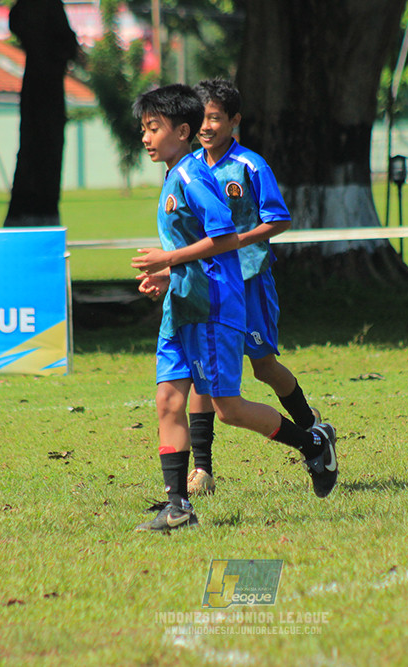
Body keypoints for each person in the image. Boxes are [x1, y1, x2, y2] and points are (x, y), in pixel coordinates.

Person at [130, 84, 338, 533]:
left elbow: (224, 237)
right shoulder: (174, 174)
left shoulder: (192, 176)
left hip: (212, 305)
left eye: (153, 128)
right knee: (168, 399)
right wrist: (167, 275)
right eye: (143, 128)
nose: (145, 137)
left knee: (228, 408)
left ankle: (312, 444)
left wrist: (168, 259)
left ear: (180, 131)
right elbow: (195, 244)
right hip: (182, 302)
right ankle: (178, 505)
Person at [181, 78, 323, 497]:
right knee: (201, 373)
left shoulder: (250, 166)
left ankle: (312, 428)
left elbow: (278, 219)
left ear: (234, 121)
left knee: (263, 367)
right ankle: (202, 470)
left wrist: (235, 242)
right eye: (201, 118)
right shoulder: (189, 168)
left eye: (214, 118)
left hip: (249, 280)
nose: (206, 126)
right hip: (206, 283)